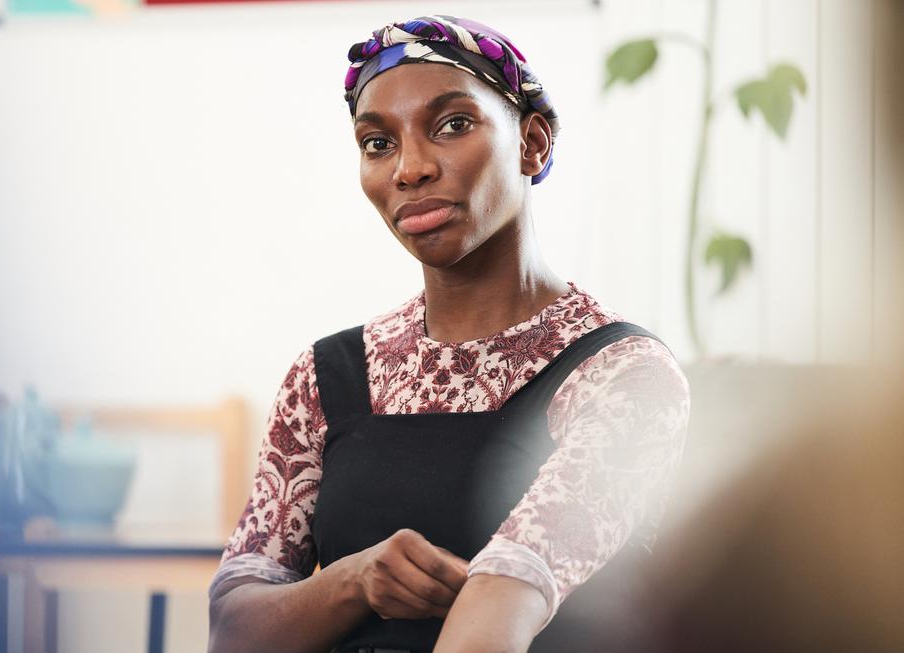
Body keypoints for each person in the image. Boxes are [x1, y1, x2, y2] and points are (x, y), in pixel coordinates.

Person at [207, 15, 689, 653]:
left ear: (533, 143)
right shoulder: (325, 379)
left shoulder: (624, 378)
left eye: (452, 125)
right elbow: (233, 634)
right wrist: (355, 580)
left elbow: (499, 613)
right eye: (377, 143)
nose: (409, 169)